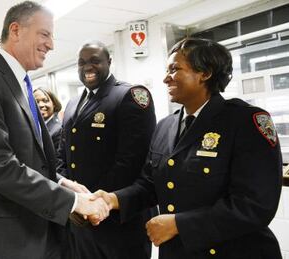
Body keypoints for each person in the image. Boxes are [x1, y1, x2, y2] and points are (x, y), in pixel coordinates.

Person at [0, 2, 110, 259]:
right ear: (16, 30)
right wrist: (73, 202)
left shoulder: (22, 84)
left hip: (30, 228)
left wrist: (63, 183)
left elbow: (28, 156)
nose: (51, 45)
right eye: (45, 34)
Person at [95, 38, 283, 258]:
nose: (166, 78)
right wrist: (113, 199)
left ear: (205, 73)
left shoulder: (245, 121)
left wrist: (178, 225)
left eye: (174, 69)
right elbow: (150, 185)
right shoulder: (165, 126)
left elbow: (254, 205)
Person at [56, 41, 156, 259]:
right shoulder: (73, 103)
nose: (87, 67)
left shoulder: (130, 96)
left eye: (94, 61)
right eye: (82, 63)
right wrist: (72, 200)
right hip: (82, 216)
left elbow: (131, 161)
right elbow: (62, 155)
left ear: (109, 62)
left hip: (118, 218)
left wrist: (93, 203)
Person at [33, 87, 62, 151]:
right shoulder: (34, 127)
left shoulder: (59, 129)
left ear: (54, 103)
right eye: (36, 102)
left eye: (45, 101)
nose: (40, 105)